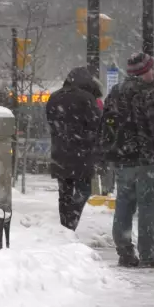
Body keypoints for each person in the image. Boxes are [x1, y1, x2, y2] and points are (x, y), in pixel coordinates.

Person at [103, 53, 154, 268]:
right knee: (148, 207)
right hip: (147, 160)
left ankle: (124, 251)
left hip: (123, 160)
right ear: (144, 72)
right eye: (151, 69)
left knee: (124, 205)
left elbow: (106, 124)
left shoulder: (115, 93)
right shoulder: (149, 94)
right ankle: (148, 253)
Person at [45, 66, 103, 231]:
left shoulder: (54, 97)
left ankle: (65, 225)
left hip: (59, 152)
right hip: (81, 154)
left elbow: (50, 120)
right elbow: (97, 124)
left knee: (64, 193)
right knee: (84, 190)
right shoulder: (87, 98)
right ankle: (71, 220)